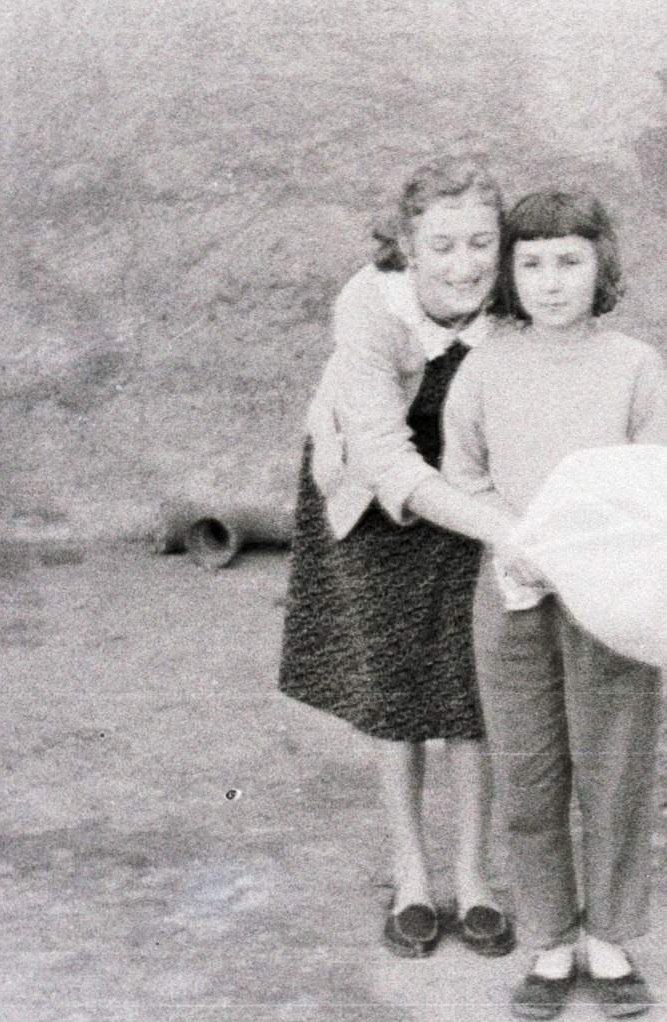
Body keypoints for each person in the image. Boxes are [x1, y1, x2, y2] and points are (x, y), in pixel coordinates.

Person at [278, 156, 521, 960]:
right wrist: (501, 528)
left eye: (480, 242)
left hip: (474, 484)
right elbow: (384, 460)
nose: (465, 265)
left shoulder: (513, 299)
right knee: (395, 687)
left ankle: (475, 875)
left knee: (470, 679)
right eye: (442, 246)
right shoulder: (367, 309)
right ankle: (411, 872)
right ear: (407, 249)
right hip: (373, 495)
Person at [441, 190, 667, 1020]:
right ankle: (548, 938)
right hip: (511, 589)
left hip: (610, 591)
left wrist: (596, 549)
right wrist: (515, 541)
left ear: (600, 265)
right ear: (508, 272)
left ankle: (610, 938)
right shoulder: (486, 364)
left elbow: (657, 480)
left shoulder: (633, 365)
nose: (549, 282)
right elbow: (459, 472)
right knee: (529, 766)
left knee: (611, 766)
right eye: (530, 263)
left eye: (568, 261)